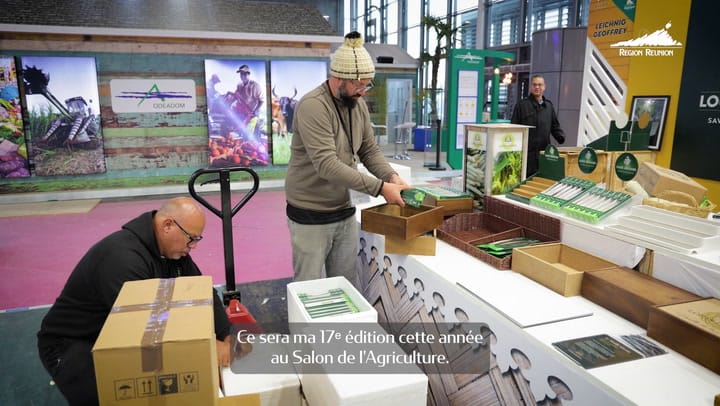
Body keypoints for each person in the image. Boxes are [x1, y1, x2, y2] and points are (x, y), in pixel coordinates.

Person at [37, 197, 233, 406]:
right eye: (191, 238)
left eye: (197, 239)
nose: (193, 246)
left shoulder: (173, 252)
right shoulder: (122, 258)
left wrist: (227, 334)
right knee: (112, 398)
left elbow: (201, 291)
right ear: (167, 225)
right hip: (74, 342)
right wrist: (208, 346)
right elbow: (146, 326)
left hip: (118, 334)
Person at [285, 31, 411, 284]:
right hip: (310, 213)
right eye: (358, 85)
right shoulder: (312, 106)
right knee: (307, 288)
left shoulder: (357, 104)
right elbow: (327, 165)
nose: (363, 91)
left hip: (342, 210)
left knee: (345, 285)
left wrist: (392, 176)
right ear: (338, 78)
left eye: (367, 84)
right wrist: (381, 188)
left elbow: (368, 149)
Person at [511, 74, 565, 177]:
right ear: (531, 87)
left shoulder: (548, 106)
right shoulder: (522, 105)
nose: (537, 87)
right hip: (526, 154)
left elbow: (554, 125)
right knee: (525, 181)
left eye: (540, 85)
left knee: (541, 180)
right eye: (534, 85)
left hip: (543, 153)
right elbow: (514, 128)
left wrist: (560, 137)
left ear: (544, 87)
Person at [229, 64, 264, 137]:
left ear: (248, 74)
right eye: (241, 74)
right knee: (238, 133)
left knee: (248, 135)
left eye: (245, 74)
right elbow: (236, 95)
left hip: (252, 114)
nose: (242, 76)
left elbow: (261, 100)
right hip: (242, 113)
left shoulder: (255, 86)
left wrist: (255, 110)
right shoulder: (239, 85)